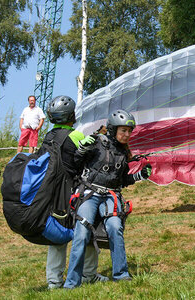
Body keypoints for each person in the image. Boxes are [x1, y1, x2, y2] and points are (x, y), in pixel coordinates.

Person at [63, 109, 152, 288]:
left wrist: (140, 176)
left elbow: (122, 180)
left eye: (129, 131)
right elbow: (75, 165)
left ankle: (121, 274)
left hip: (111, 195)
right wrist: (81, 150)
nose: (127, 135)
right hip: (90, 193)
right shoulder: (96, 143)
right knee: (82, 231)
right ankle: (72, 283)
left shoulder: (123, 153)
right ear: (112, 130)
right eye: (123, 131)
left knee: (115, 227)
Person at [44, 95, 109, 289]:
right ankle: (89, 274)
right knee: (88, 229)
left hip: (52, 194)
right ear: (72, 115)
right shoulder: (75, 135)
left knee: (58, 236)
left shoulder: (47, 137)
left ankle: (54, 281)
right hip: (75, 192)